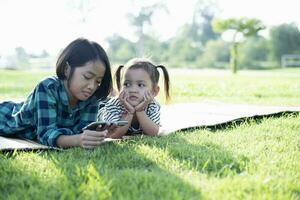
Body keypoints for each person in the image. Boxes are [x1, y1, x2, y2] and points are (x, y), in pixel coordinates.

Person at [0, 38, 113, 149]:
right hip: (6, 118)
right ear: (66, 69)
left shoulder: (93, 96)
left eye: (98, 81)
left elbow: (84, 131)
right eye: (87, 77)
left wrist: (97, 133)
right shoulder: (48, 87)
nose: (92, 86)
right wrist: (77, 140)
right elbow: (45, 134)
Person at [98, 58, 171, 138]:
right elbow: (113, 134)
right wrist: (129, 113)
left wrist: (140, 111)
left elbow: (154, 133)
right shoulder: (114, 105)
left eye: (140, 85)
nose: (133, 90)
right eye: (127, 84)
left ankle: (113, 92)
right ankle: (111, 92)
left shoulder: (152, 105)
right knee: (102, 99)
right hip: (102, 108)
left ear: (154, 91)